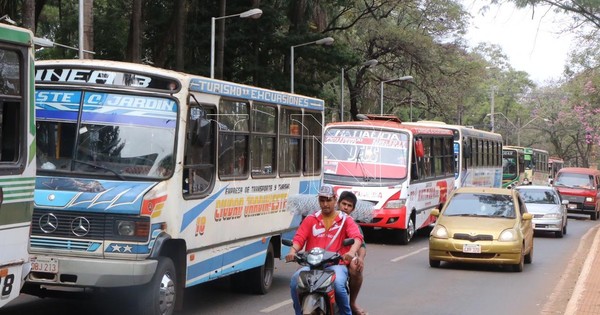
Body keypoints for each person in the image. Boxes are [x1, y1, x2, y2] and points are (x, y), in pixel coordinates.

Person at [286, 184, 363, 315]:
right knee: (294, 281)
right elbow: (299, 238)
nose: (325, 204)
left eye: (328, 200)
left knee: (338, 285)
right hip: (312, 266)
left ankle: (346, 313)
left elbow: (357, 238)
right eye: (322, 200)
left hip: (336, 265)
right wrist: (292, 251)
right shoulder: (311, 219)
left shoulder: (345, 220)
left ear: (335, 200)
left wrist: (351, 252)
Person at [338, 191, 367, 315]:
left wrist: (360, 258)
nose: (345, 207)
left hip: (344, 257)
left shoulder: (353, 224)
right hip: (323, 256)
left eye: (349, 206)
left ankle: (352, 303)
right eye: (343, 204)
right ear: (338, 204)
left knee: (356, 267)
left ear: (353, 209)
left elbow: (361, 244)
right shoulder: (328, 217)